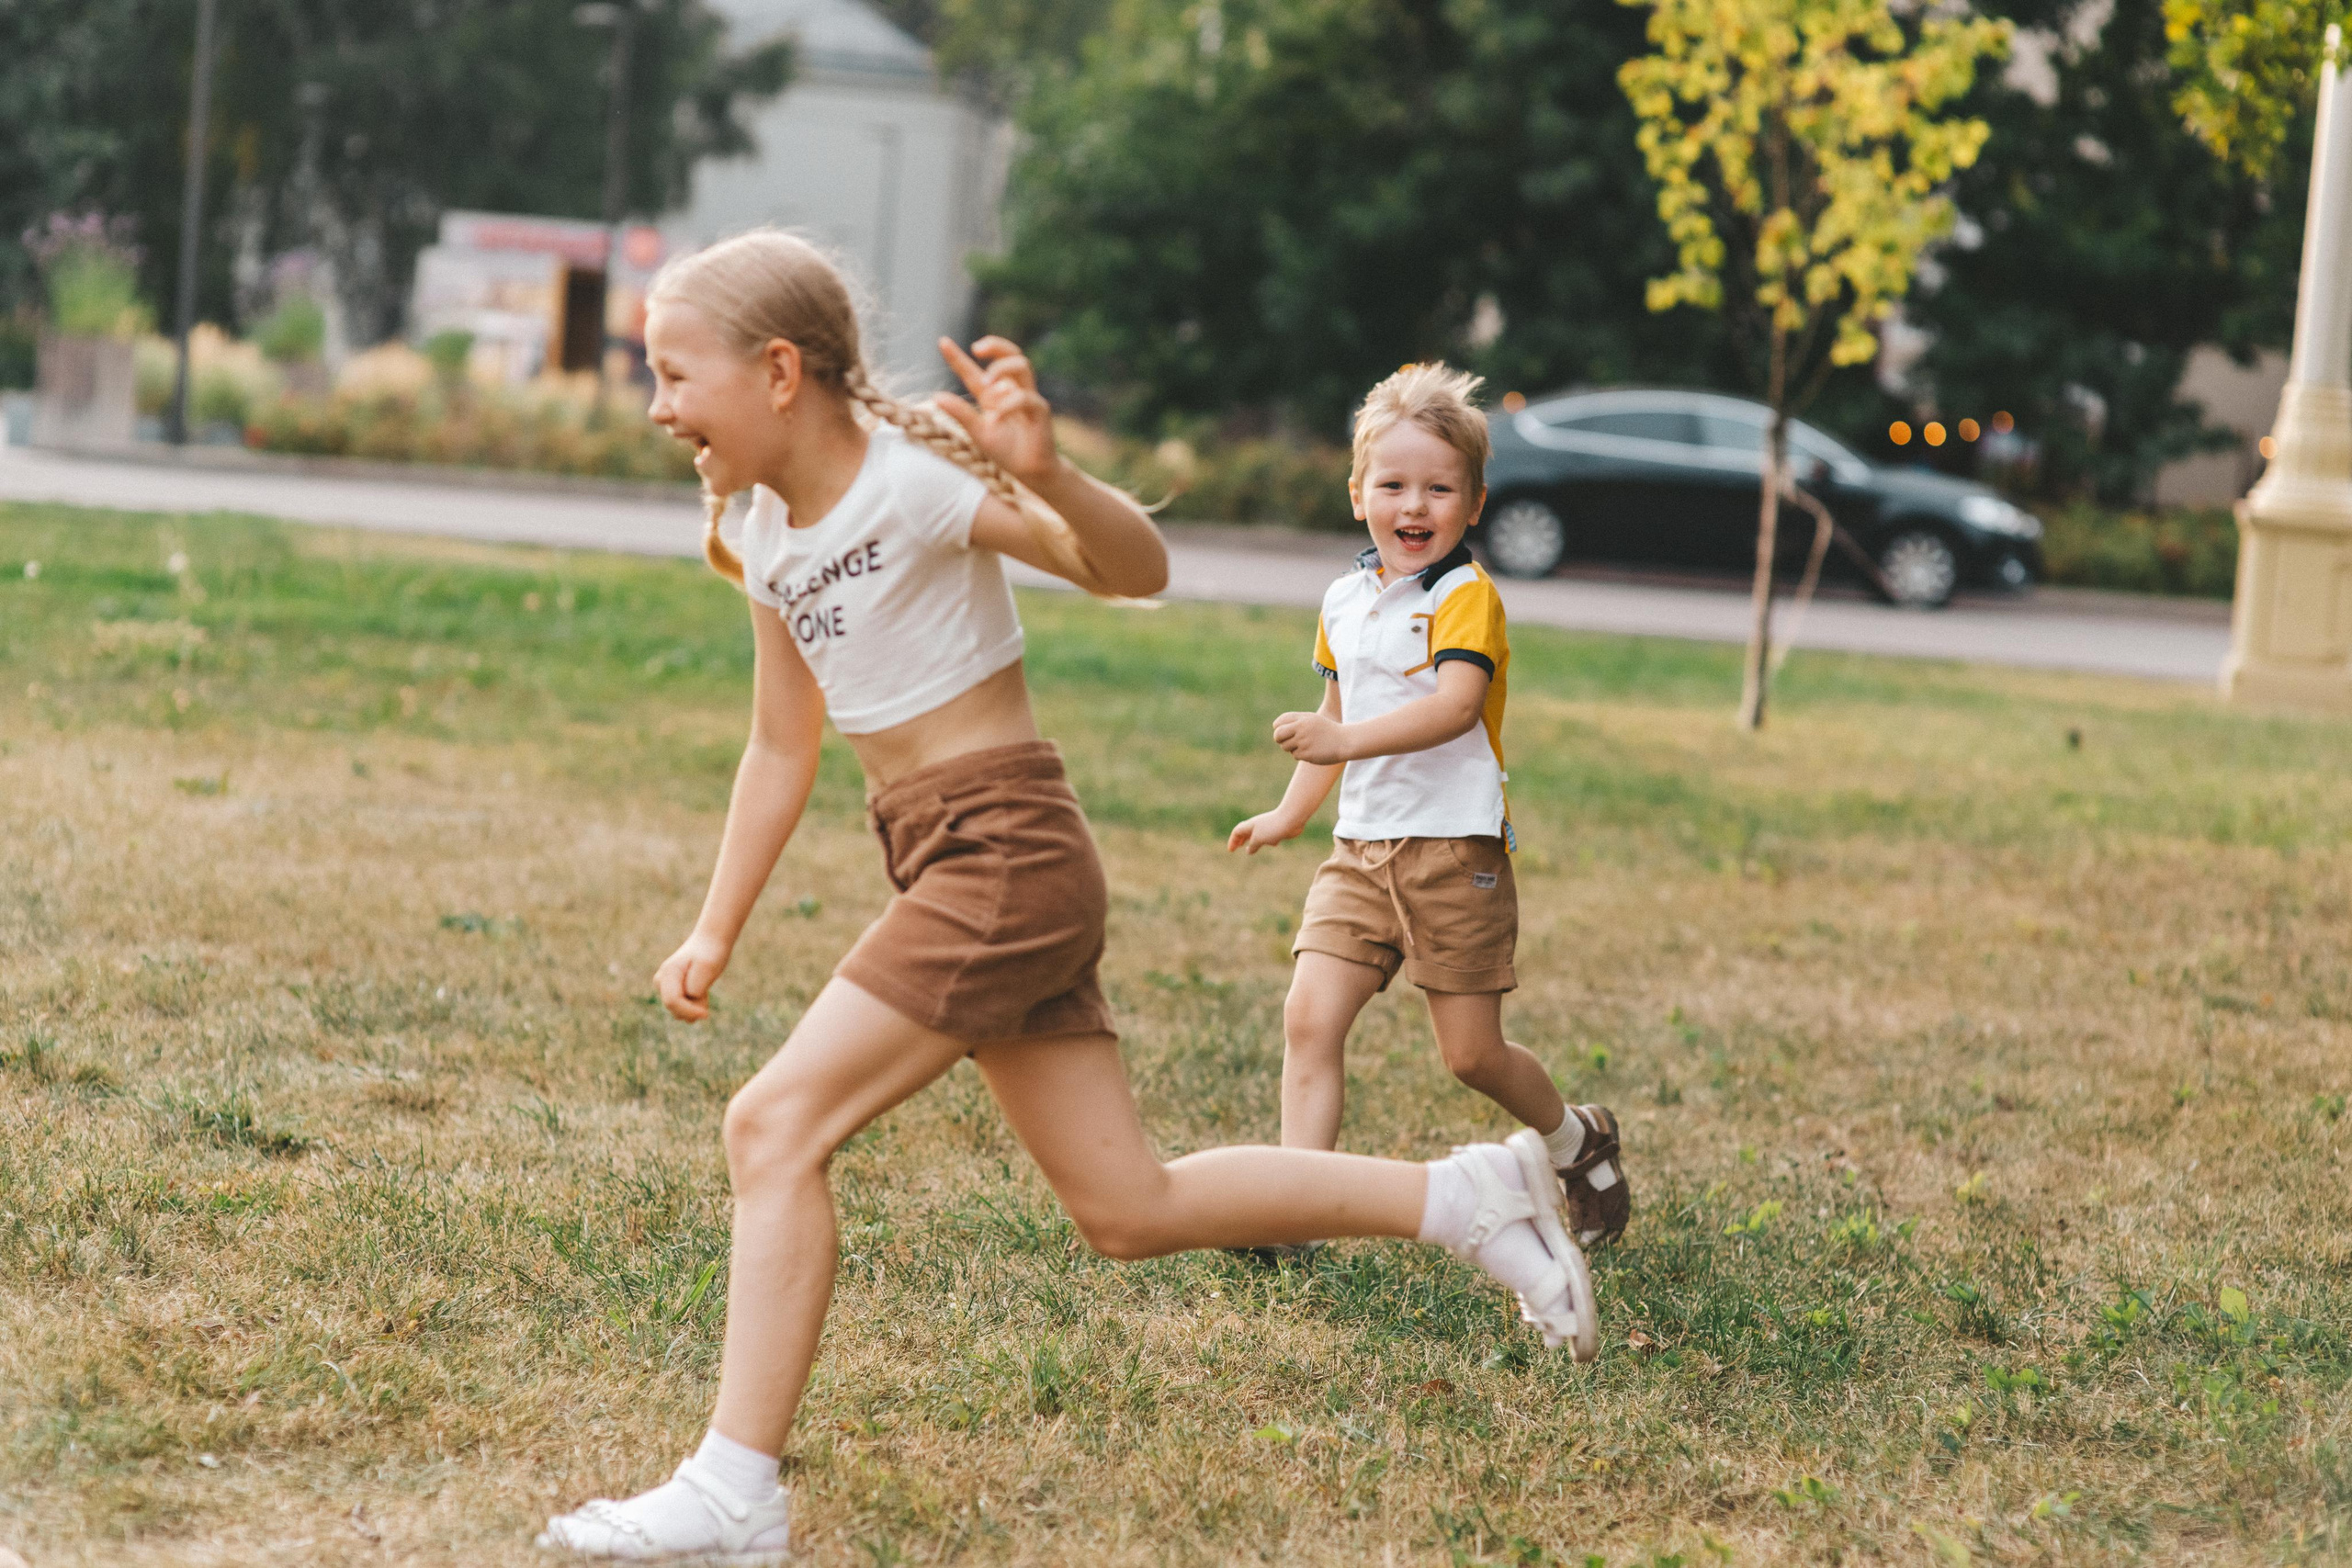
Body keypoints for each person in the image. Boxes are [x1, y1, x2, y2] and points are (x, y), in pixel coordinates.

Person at [537, 233, 1600, 1564]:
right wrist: (713, 924)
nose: (655, 404)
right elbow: (779, 745)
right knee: (1127, 1206)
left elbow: (1128, 569)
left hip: (1008, 852)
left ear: (778, 371)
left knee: (773, 1124)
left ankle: (735, 1488)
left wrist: (1046, 472)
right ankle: (1465, 1195)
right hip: (940, 855)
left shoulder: (909, 482)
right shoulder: (761, 530)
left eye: (671, 372)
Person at [1227, 364, 1631, 1255]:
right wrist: (1290, 812)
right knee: (1309, 1017)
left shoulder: (1465, 598)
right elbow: (1337, 715)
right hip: (1359, 856)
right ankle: (1297, 1213)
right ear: (1357, 494)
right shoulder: (1344, 598)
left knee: (1471, 1057)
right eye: (1393, 484)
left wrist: (1339, 747)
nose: (1414, 505)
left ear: (1475, 502)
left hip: (1454, 852)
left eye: (1439, 488)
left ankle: (1577, 1141)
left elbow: (1452, 707)